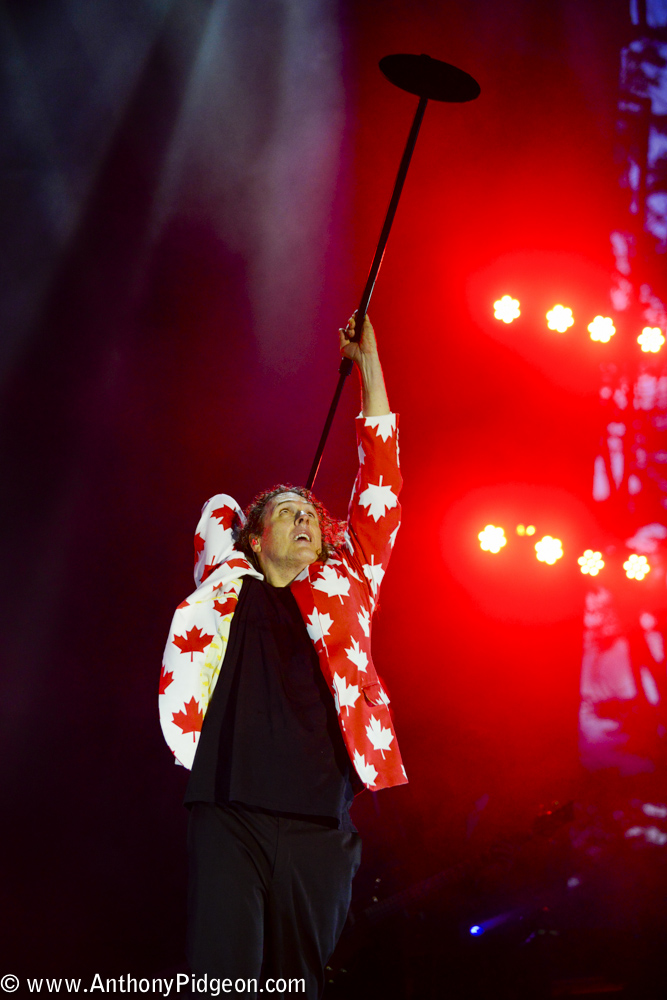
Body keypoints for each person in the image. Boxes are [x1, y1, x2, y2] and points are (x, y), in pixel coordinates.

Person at [159, 314, 406, 998]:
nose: (307, 521)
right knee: (222, 982)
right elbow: (215, 517)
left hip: (318, 820)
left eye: (313, 516)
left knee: (295, 983)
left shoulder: (348, 582)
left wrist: (368, 366)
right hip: (227, 806)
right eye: (290, 514)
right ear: (255, 539)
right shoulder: (226, 588)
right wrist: (246, 530)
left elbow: (380, 474)